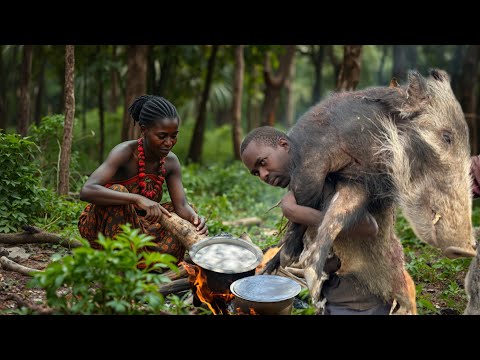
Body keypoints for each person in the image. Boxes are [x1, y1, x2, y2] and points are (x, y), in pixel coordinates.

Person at [240, 126, 397, 315]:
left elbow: (368, 227)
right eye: (256, 172)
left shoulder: (326, 173)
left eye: (263, 162)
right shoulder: (304, 181)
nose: (264, 174)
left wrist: (295, 212)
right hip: (340, 293)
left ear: (284, 145)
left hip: (361, 298)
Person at [78, 95, 208, 266]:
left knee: (180, 212)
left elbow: (181, 206)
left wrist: (195, 219)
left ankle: (151, 264)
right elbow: (87, 190)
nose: (169, 142)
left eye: (173, 136)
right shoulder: (124, 152)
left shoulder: (171, 162)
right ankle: (118, 264)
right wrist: (137, 198)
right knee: (118, 191)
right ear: (144, 129)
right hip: (104, 227)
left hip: (143, 228)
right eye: (162, 136)